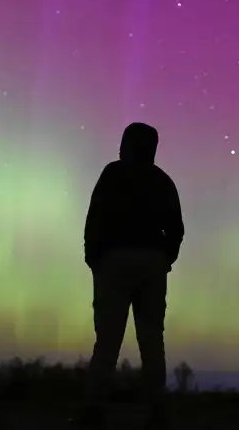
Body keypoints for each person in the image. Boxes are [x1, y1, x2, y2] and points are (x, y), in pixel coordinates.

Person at [74, 122, 185, 430]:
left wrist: (94, 256)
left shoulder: (113, 174)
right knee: (152, 341)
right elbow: (176, 229)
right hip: (150, 263)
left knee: (107, 340)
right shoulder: (163, 181)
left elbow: (94, 217)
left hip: (115, 261)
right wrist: (164, 258)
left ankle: (94, 410)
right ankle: (157, 413)